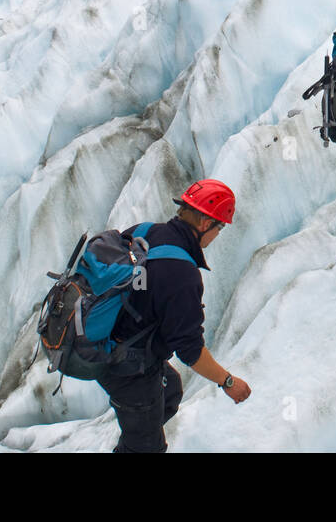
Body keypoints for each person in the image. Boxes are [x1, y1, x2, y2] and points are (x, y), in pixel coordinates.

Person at [98, 179, 251, 452]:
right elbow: (190, 350)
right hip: (128, 367)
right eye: (220, 227)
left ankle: (136, 434)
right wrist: (228, 382)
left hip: (105, 341)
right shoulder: (182, 275)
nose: (218, 234)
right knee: (146, 447)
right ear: (205, 223)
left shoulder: (145, 232)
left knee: (170, 392)